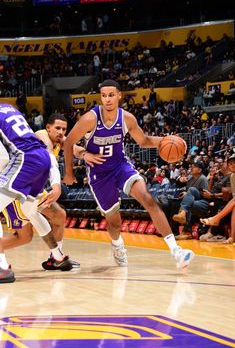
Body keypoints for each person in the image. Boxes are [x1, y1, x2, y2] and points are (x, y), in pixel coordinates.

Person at [63, 79, 194, 269]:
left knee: (148, 199)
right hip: (99, 174)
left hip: (120, 166)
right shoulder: (90, 118)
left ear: (119, 96)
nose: (107, 99)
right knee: (114, 223)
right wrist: (71, 170)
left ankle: (176, 251)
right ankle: (117, 245)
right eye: (104, 96)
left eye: (111, 95)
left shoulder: (127, 118)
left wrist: (166, 140)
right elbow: (68, 142)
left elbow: (143, 140)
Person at [0, 104, 72, 283]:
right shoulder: (9, 108)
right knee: (32, 212)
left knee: (26, 232)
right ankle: (58, 256)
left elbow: (3, 157)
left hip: (24, 161)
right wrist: (55, 183)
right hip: (41, 162)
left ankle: (1, 267)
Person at [200, 153, 235, 244]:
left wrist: (212, 196)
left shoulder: (229, 177)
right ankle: (232, 237)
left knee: (218, 205)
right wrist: (211, 178)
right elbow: (210, 190)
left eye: (234, 162)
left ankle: (215, 223)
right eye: (230, 163)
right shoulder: (231, 176)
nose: (233, 165)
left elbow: (229, 194)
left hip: (221, 200)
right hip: (219, 199)